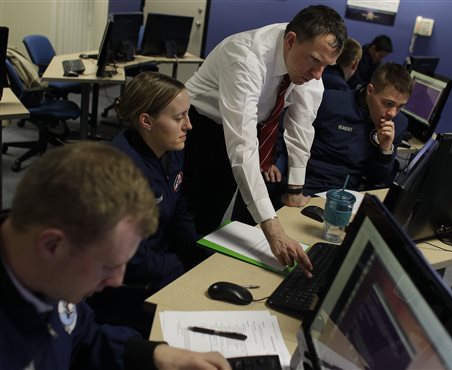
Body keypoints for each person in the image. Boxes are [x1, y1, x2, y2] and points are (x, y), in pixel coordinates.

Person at [0, 142, 230, 370]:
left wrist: (154, 355)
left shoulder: (48, 274)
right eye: (109, 265)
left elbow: (82, 337)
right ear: (52, 245)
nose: (118, 280)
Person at [184, 5, 347, 276]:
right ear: (291, 40)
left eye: (327, 66)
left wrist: (295, 189)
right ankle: (176, 281)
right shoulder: (246, 57)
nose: (318, 74)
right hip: (200, 127)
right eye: (315, 62)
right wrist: (272, 230)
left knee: (222, 215)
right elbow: (242, 146)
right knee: (193, 214)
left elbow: (301, 126)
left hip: (248, 125)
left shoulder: (309, 64)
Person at [88, 72, 210, 337]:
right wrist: (180, 268)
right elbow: (127, 256)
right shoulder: (119, 171)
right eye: (179, 118)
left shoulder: (170, 150)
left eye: (188, 115)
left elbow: (179, 208)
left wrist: (196, 252)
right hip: (127, 282)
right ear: (146, 121)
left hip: (160, 260)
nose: (189, 126)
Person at [304, 63, 413, 195]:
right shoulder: (329, 102)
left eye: (400, 106)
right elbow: (287, 131)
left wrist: (385, 150)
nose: (393, 113)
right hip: (310, 185)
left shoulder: (399, 123)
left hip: (350, 192)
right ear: (370, 90)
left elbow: (377, 180)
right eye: (388, 104)